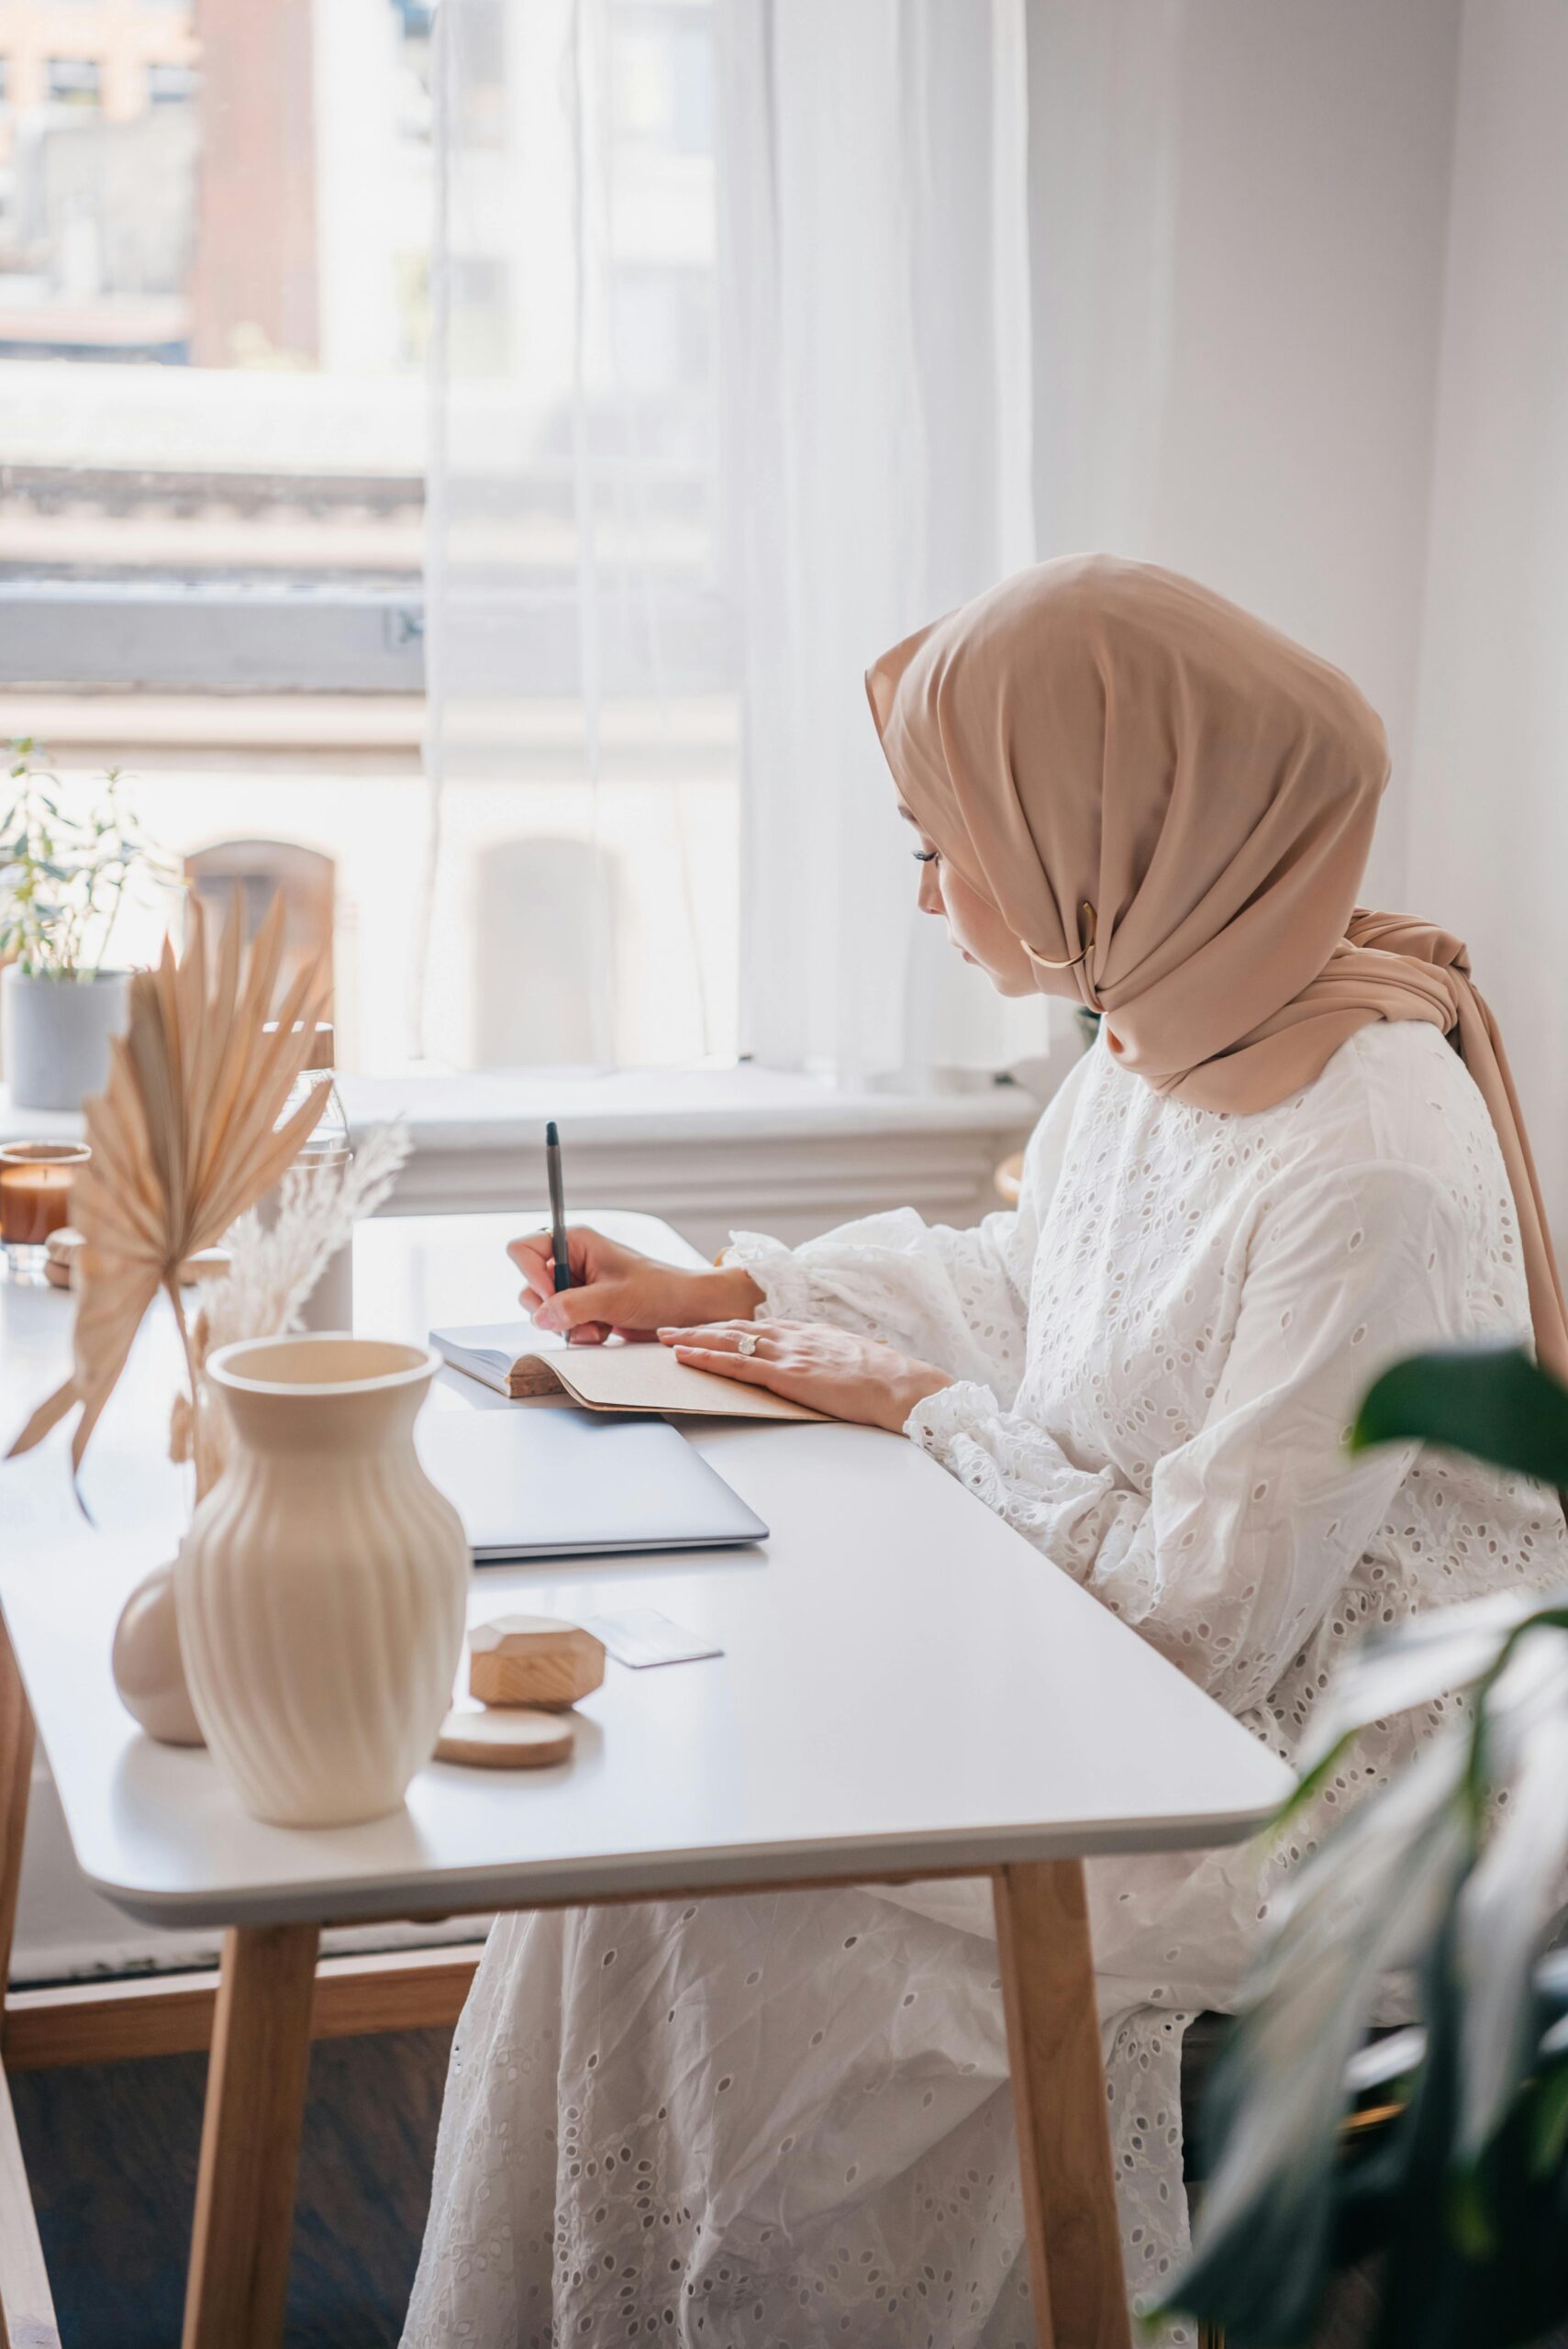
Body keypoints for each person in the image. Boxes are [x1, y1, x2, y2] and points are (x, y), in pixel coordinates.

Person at [402, 555, 1568, 2349]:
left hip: (1323, 1772)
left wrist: (916, 1408)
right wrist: (732, 1282)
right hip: (1139, 1678)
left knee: (739, 1924)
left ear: (1106, 821)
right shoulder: (1167, 1018)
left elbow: (1205, 1624)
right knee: (636, 1864)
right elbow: (1028, 1287)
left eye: (950, 845)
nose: (934, 896)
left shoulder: (1370, 1156)